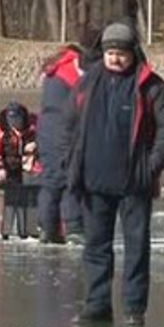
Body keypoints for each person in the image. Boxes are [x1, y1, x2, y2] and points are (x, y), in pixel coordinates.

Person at [66, 19, 164, 327]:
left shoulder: (151, 86)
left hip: (134, 183)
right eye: (109, 52)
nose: (115, 58)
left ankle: (134, 308)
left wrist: (151, 167)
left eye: (121, 53)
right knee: (96, 246)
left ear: (133, 52)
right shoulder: (88, 82)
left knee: (136, 248)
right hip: (94, 180)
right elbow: (70, 125)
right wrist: (71, 164)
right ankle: (97, 304)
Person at [36, 28, 100, 245]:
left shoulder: (57, 68)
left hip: (47, 131)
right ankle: (73, 226)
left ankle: (47, 227)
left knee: (51, 181)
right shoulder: (72, 73)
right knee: (70, 179)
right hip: (63, 131)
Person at [0, 101, 42, 240]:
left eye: (18, 120)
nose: (16, 124)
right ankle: (7, 228)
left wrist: (37, 147)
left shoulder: (36, 126)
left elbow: (50, 143)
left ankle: (31, 228)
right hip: (8, 167)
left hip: (30, 167)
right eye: (12, 121)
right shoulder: (0, 129)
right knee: (11, 198)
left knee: (32, 196)